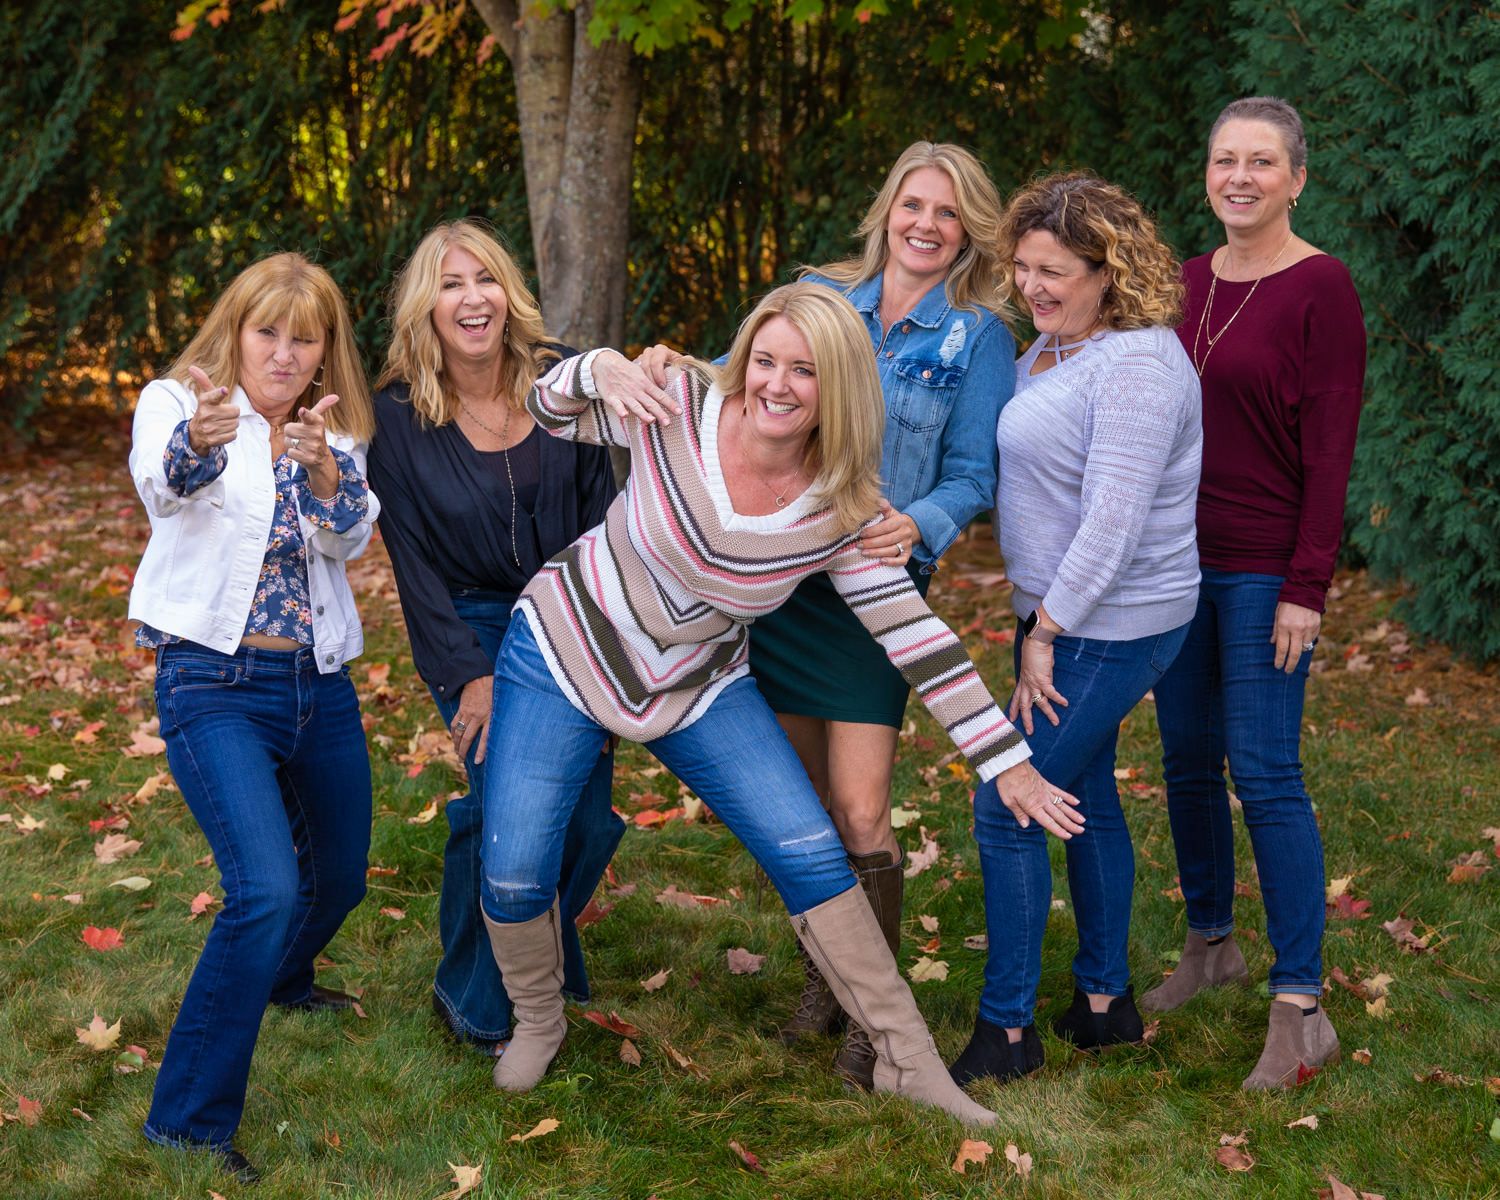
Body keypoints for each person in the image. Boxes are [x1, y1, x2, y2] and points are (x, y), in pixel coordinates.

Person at [475, 282, 1084, 1126]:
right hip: (566, 649)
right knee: (513, 867)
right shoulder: (678, 403)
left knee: (813, 855)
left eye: (804, 371)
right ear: (744, 358)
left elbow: (918, 639)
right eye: (765, 360)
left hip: (696, 684)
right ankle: (537, 1021)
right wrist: (599, 369)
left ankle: (906, 1061)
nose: (777, 384)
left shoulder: (840, 505)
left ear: (838, 387)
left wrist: (1007, 762)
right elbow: (545, 408)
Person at [744, 142, 1015, 1085]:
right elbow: (754, 398)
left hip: (874, 594)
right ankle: (825, 984)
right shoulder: (822, 300)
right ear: (887, 210)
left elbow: (975, 472)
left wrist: (921, 522)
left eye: (947, 213)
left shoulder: (977, 338)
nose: (927, 226)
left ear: (968, 228)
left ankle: (875, 1022)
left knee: (861, 811)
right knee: (801, 808)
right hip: (782, 584)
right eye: (913, 206)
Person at [127, 252, 379, 1182]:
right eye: (266, 332)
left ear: (324, 352)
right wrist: (203, 437)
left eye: (302, 339)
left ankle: (276, 976)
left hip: (318, 684)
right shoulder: (176, 404)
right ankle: (187, 1122)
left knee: (341, 878)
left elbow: (351, 534)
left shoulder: (332, 434)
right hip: (211, 683)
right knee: (266, 889)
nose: (282, 353)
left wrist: (321, 474)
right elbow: (166, 483)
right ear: (235, 332)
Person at [946, 173, 1202, 1087]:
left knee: (1006, 799)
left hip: (1110, 625)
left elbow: (1115, 521)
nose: (1033, 286)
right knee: (1078, 790)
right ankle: (1104, 1006)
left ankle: (1006, 1032)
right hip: (1064, 617)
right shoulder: (1058, 350)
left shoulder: (1138, 363)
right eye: (1022, 267)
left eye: (1054, 270)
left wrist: (1045, 631)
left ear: (1108, 270)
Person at [1147, 97, 1365, 1090]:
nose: (1240, 176)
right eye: (1225, 158)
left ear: (1297, 177)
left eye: (1261, 161)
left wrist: (1305, 587)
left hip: (1264, 570)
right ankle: (1210, 945)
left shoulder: (1323, 288)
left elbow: (1330, 456)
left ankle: (1301, 1004)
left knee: (1265, 771)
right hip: (1172, 567)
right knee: (1186, 761)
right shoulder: (1184, 283)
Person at [367, 219, 623, 1055]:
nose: (470, 298)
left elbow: (600, 520)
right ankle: (479, 1001)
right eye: (449, 283)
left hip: (571, 613)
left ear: (507, 293)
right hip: (469, 620)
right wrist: (467, 673)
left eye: (483, 279)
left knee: (582, 821)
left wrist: (601, 636)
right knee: (498, 812)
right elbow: (410, 564)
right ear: (426, 307)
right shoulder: (398, 418)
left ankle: (538, 956)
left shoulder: (562, 384)